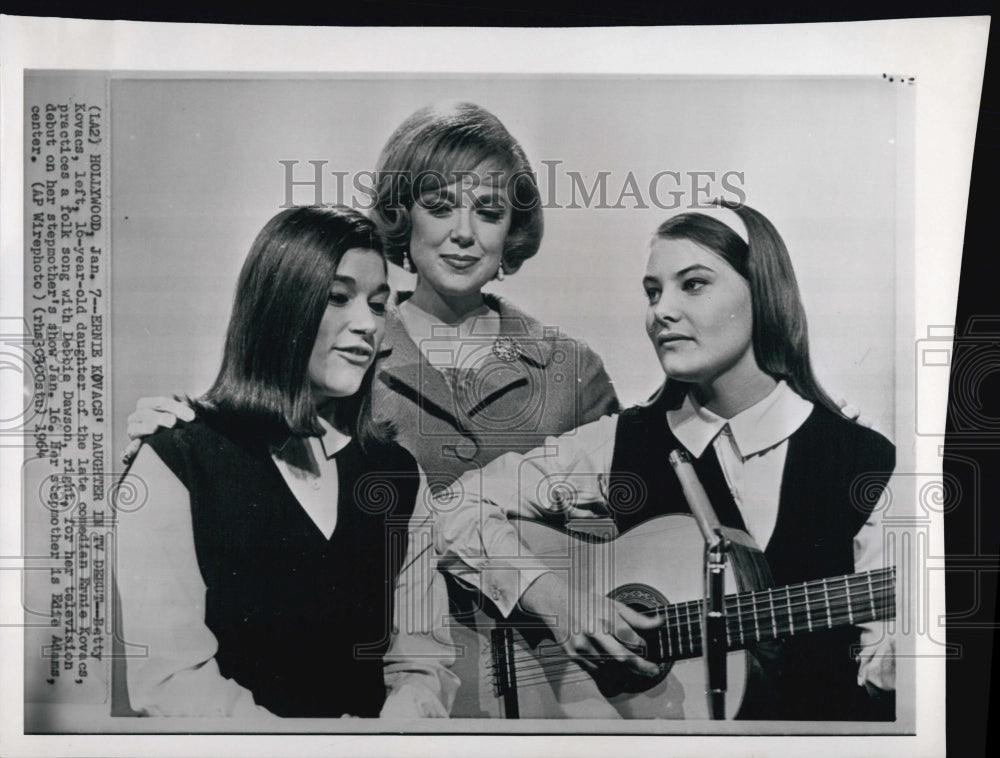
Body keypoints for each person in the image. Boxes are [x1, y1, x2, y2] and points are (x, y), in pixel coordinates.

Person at [121, 102, 661, 717]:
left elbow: (623, 533)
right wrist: (178, 420)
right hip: (387, 700)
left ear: (512, 228)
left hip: (551, 692)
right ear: (401, 216)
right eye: (439, 206)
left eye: (488, 211)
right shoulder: (339, 358)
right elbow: (248, 432)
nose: (464, 233)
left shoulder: (572, 368)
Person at [433, 201, 897, 720]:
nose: (661, 311)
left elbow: (885, 675)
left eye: (692, 284)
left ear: (763, 292)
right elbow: (455, 505)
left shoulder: (867, 462)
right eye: (653, 292)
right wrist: (555, 599)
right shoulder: (622, 442)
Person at [116, 206, 431, 717]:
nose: (367, 325)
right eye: (337, 298)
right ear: (278, 305)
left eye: (378, 305)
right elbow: (171, 681)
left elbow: (421, 663)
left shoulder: (398, 474)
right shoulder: (175, 459)